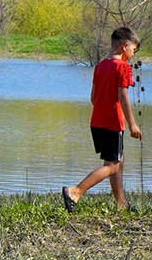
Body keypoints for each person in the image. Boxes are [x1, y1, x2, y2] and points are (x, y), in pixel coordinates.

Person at [60, 26, 141, 212]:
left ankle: (121, 204)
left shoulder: (101, 66)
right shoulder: (123, 68)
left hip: (97, 122)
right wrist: (132, 124)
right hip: (114, 123)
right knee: (112, 166)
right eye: (133, 50)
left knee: (118, 162)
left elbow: (93, 97)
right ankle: (76, 191)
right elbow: (123, 97)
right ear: (124, 46)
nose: (133, 54)